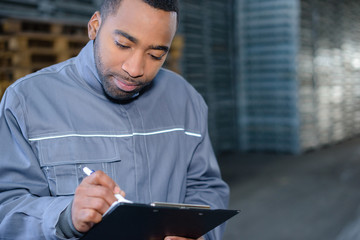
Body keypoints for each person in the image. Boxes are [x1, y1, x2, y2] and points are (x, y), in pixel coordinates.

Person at [0, 0, 230, 239]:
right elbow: (6, 207)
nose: (135, 68)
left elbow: (206, 187)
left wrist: (199, 234)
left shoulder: (185, 100)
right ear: (95, 26)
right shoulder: (26, 102)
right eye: (123, 44)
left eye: (155, 55)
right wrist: (65, 217)